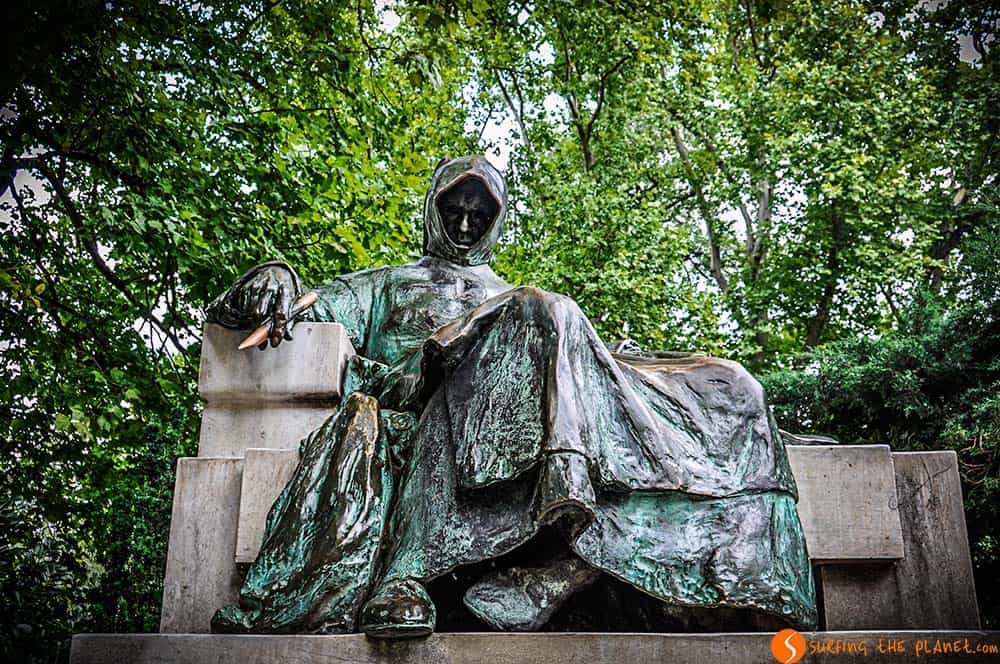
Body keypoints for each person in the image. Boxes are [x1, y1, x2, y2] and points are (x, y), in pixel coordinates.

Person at [207, 156, 816, 638]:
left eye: (481, 210)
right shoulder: (387, 284)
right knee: (538, 306)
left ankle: (569, 569)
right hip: (427, 397)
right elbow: (315, 310)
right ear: (433, 210)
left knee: (732, 384)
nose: (467, 222)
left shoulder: (522, 302)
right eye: (456, 207)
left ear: (497, 219)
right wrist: (279, 277)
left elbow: (563, 371)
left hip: (521, 420)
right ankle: (416, 570)